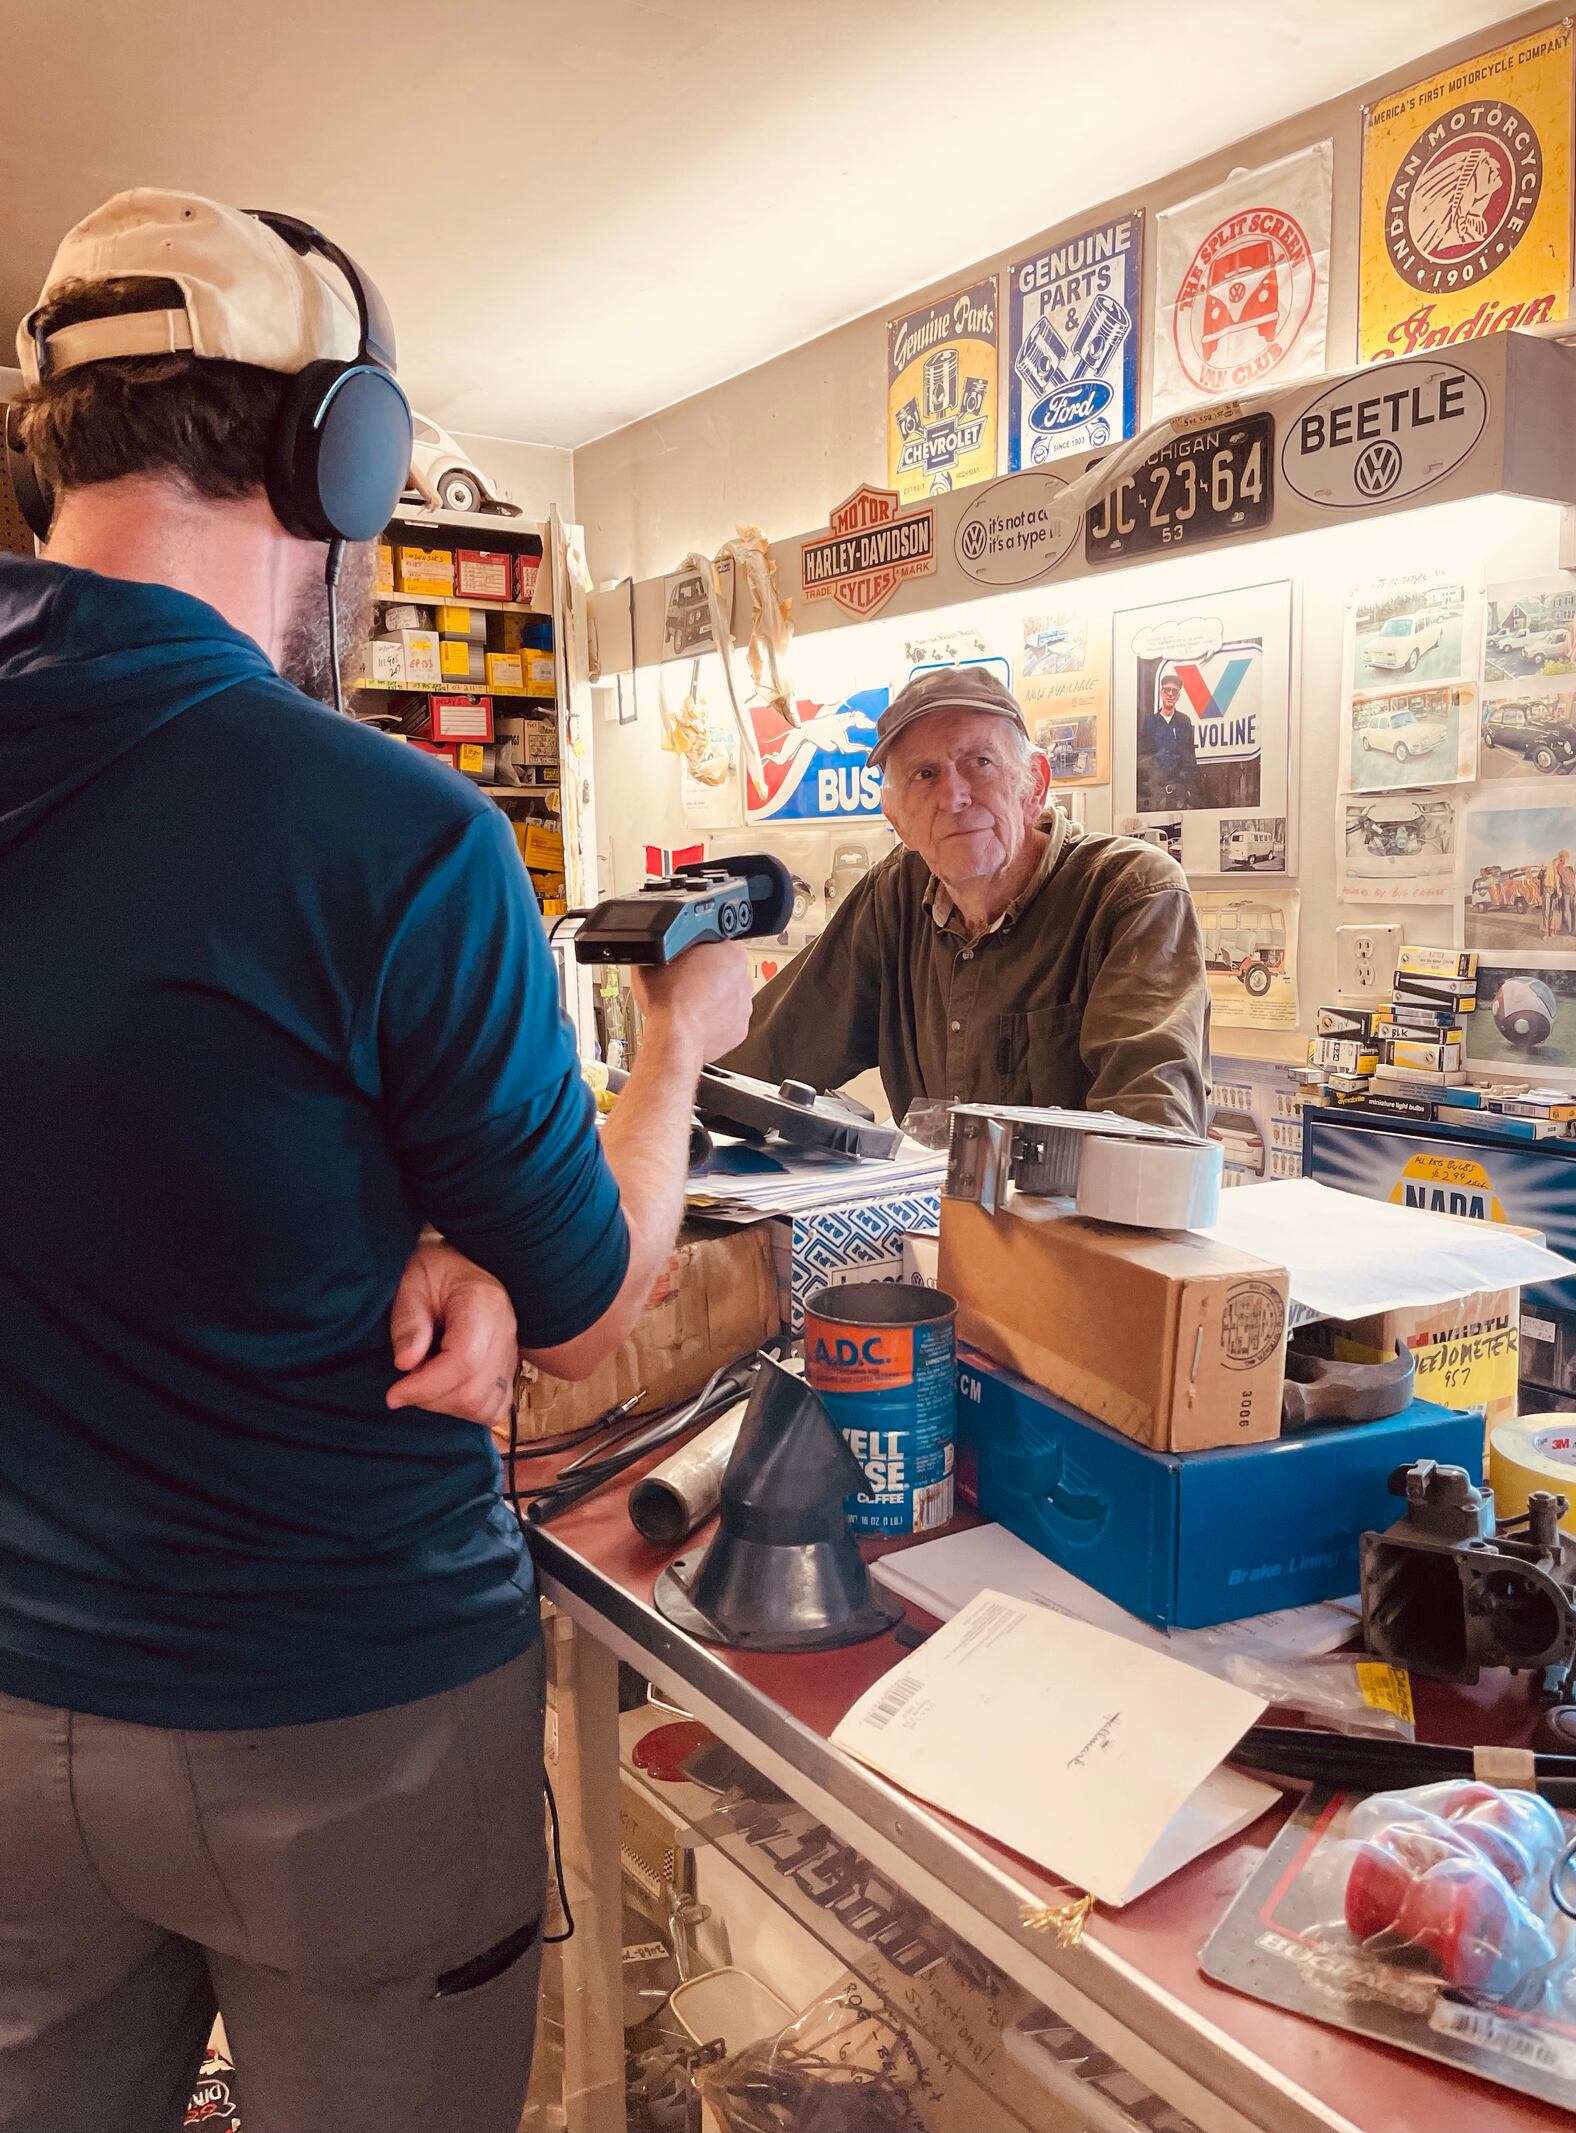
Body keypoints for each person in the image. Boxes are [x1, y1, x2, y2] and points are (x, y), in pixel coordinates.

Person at [0, 190, 751, 2133]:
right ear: (331, 448)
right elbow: (588, 1316)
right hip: (341, 1727)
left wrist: (422, 1212)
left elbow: (133, 1103)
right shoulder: (386, 827)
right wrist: (677, 1049)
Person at [722, 666, 1209, 1132]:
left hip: (1071, 1220)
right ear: (897, 819)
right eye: (924, 774)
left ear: (1034, 786)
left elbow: (1150, 1139)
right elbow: (760, 1061)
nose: (954, 796)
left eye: (980, 762)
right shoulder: (895, 895)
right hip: (934, 1214)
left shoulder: (1129, 893)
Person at [1136, 668, 1199, 812]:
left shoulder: (1184, 722)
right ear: (1161, 693)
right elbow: (1144, 757)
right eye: (1167, 690)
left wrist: (1185, 787)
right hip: (1155, 791)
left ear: (1178, 696)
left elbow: (1190, 757)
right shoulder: (1150, 722)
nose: (1170, 694)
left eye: (1174, 691)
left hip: (1178, 792)